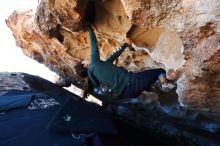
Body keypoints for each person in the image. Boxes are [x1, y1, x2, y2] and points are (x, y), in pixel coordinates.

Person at [75, 25, 174, 98]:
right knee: (159, 71)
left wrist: (125, 45)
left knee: (147, 83)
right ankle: (164, 84)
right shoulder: (93, 65)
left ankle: (148, 89)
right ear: (85, 65)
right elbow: (94, 45)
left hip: (127, 93)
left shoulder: (95, 76)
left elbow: (112, 57)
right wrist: (89, 28)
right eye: (84, 61)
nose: (87, 59)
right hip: (132, 82)